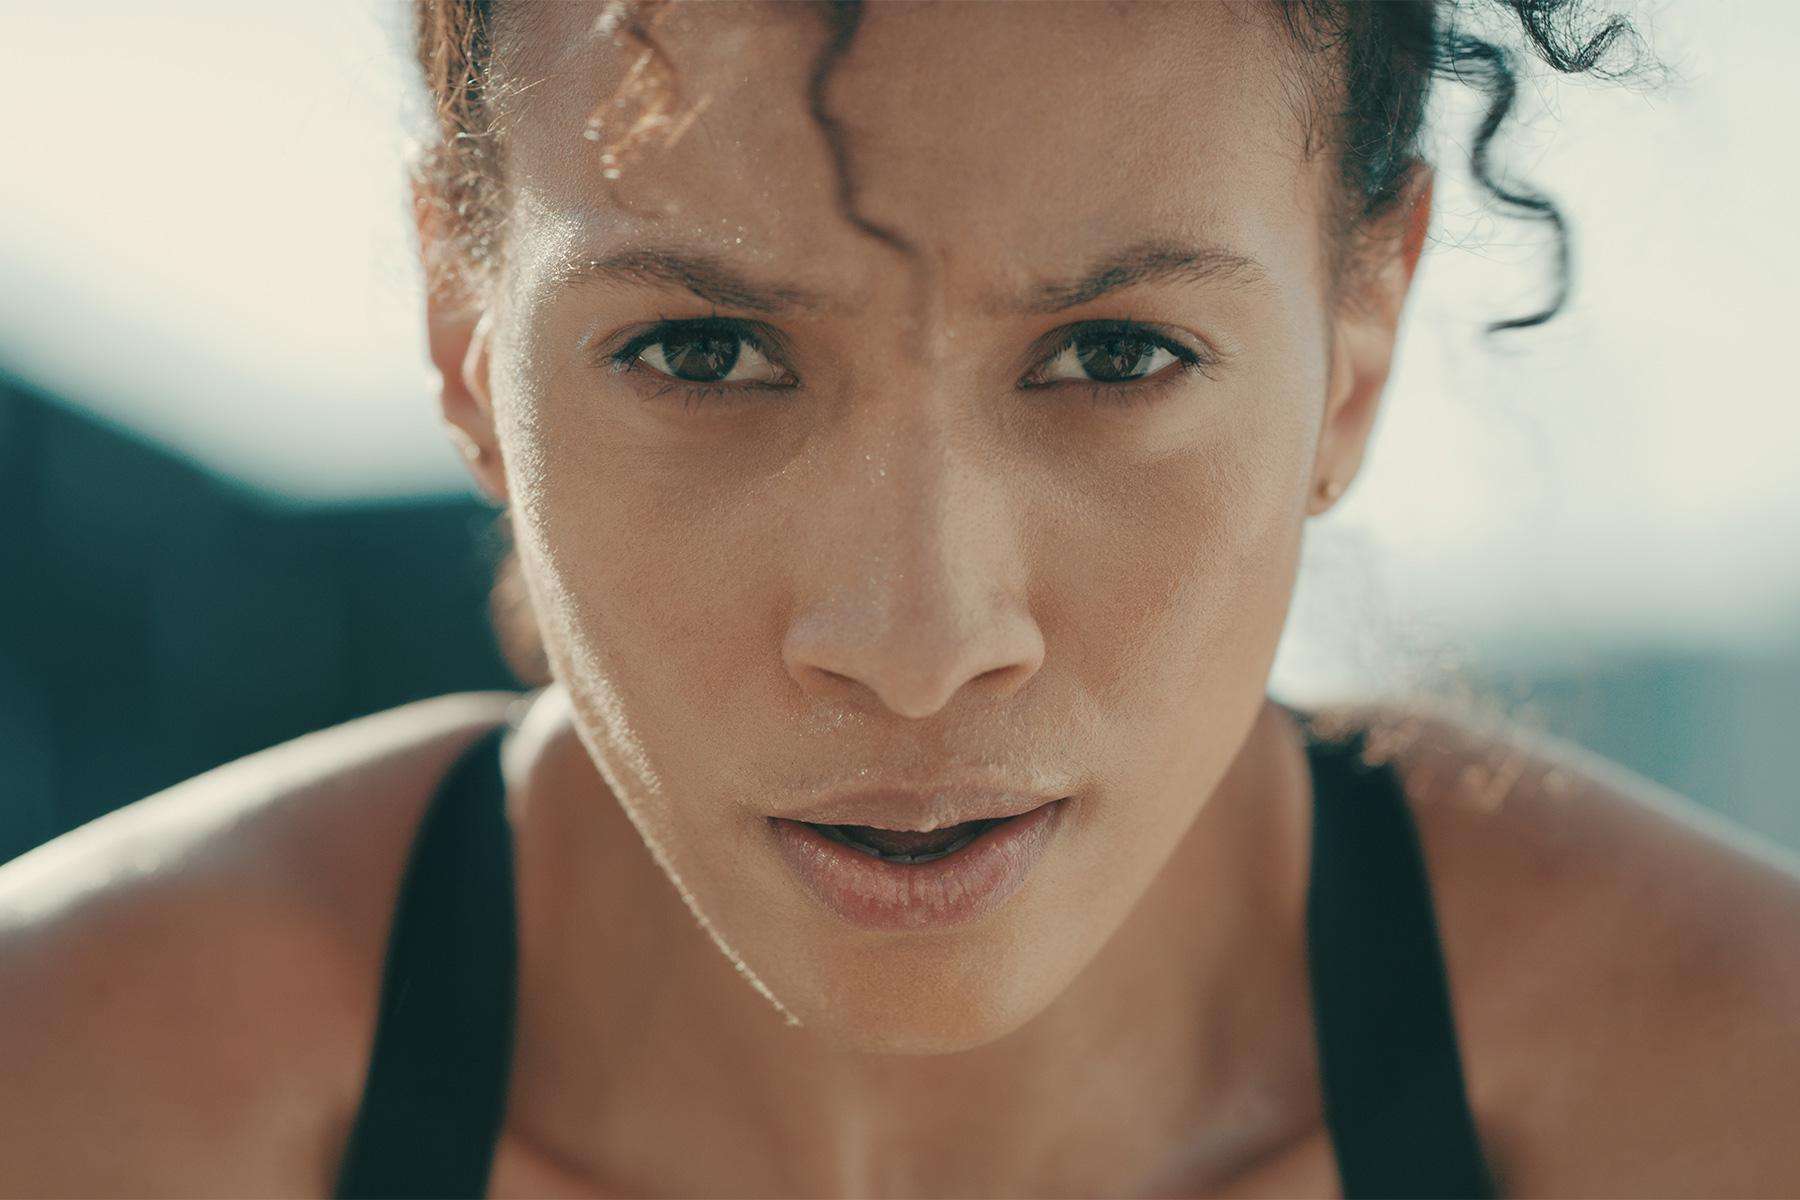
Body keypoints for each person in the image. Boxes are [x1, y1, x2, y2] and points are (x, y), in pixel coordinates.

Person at [2, 1, 1797, 1195]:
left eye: (1116, 350)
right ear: (468, 342)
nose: (922, 647)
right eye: (705, 349)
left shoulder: (1728, 1103)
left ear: (1354, 348)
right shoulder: (75, 1102)